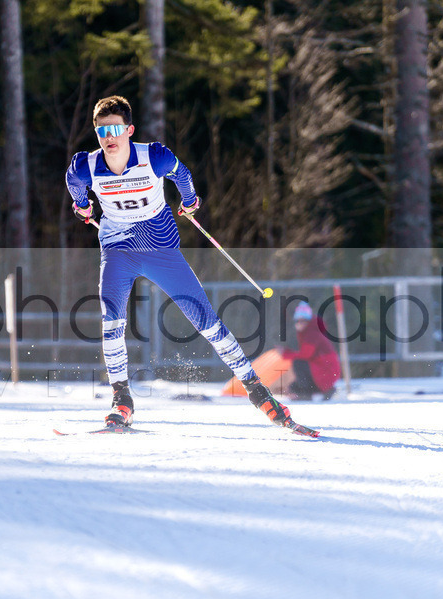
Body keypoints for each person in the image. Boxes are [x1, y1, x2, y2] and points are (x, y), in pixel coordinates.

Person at [65, 95, 295, 428]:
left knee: (206, 321)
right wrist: (82, 207)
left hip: (161, 249)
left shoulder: (153, 156)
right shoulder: (84, 165)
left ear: (130, 129)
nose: (109, 137)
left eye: (116, 129)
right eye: (102, 131)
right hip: (119, 250)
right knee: (111, 320)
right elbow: (74, 185)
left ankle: (257, 390)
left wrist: (190, 201)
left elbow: (182, 173)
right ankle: (122, 398)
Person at [282, 301, 341, 400]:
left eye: (302, 321)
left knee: (298, 363)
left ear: (308, 321)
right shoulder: (309, 331)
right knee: (293, 386)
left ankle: (307, 394)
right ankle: (308, 392)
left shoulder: (312, 333)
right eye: (297, 321)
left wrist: (285, 354)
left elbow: (305, 355)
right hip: (322, 371)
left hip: (325, 372)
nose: (299, 324)